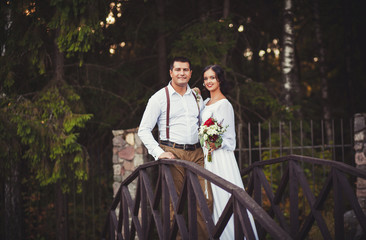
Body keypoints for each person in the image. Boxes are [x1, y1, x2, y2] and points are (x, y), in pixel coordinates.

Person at [137, 56, 213, 239]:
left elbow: (203, 122)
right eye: (178, 70)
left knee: (205, 200)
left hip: (198, 153)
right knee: (173, 203)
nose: (182, 73)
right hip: (173, 153)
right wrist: (159, 152)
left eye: (185, 70)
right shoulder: (159, 98)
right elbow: (144, 130)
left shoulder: (195, 95)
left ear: (190, 73)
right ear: (171, 72)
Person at [200, 64, 258, 240]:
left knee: (224, 197)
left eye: (212, 78)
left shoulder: (224, 105)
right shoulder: (204, 103)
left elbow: (230, 140)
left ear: (219, 80)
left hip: (220, 159)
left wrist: (214, 142)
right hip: (207, 159)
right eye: (206, 78)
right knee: (211, 200)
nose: (209, 81)